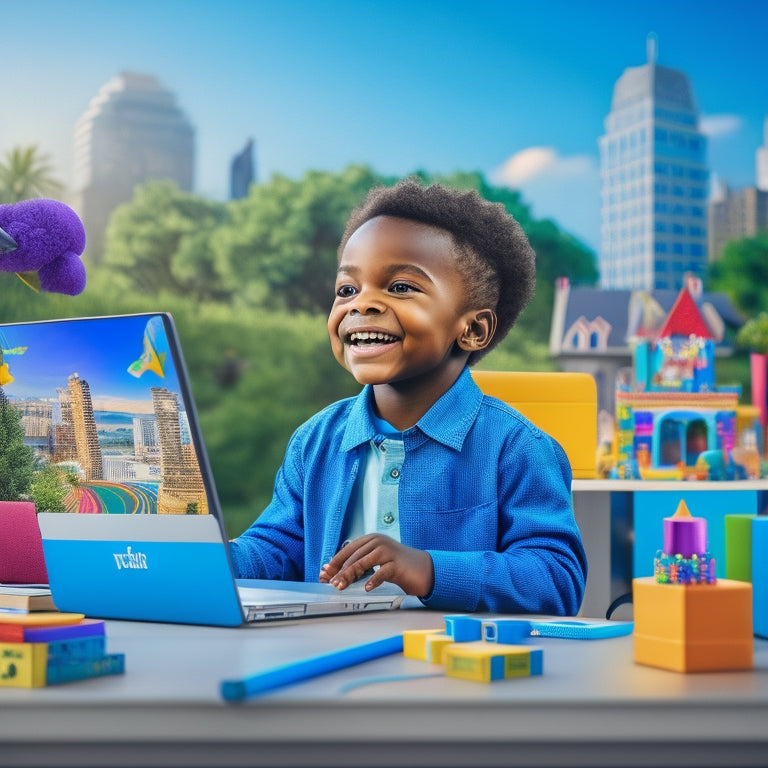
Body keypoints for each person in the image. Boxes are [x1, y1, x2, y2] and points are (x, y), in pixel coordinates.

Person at [229, 179, 587, 615]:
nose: (362, 305)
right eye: (347, 289)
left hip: (453, 668)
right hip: (328, 660)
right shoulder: (314, 441)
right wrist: (215, 559)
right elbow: (276, 548)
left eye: (400, 287)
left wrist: (429, 569)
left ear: (473, 329)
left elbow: (555, 578)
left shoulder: (517, 449)